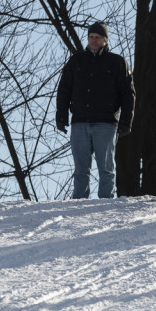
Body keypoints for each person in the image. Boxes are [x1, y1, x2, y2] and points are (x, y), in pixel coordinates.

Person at [55, 21, 135, 199]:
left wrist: (125, 122)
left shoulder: (117, 62)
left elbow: (128, 94)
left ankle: (105, 203)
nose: (93, 40)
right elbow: (64, 90)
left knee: (106, 168)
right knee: (81, 168)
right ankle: (78, 202)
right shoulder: (76, 61)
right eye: (91, 37)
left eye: (97, 37)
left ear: (105, 40)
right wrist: (61, 116)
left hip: (106, 123)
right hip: (80, 122)